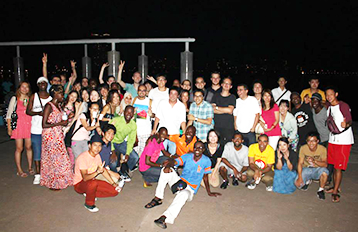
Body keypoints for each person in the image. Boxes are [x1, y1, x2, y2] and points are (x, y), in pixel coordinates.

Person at [144, 141, 221, 229]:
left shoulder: (206, 161)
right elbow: (174, 162)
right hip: (179, 183)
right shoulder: (187, 156)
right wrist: (168, 166)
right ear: (193, 148)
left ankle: (164, 217)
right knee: (165, 170)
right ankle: (158, 198)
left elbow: (205, 177)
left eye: (200, 148)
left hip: (190, 189)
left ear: (203, 150)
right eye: (196, 147)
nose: (197, 150)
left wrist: (209, 192)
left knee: (184, 194)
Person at [74, 134, 121, 213]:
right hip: (80, 184)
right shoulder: (83, 158)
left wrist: (113, 183)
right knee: (93, 183)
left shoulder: (97, 155)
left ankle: (90, 193)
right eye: (95, 145)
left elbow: (102, 170)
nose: (97, 148)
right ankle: (89, 203)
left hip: (93, 180)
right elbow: (85, 178)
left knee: (114, 192)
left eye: (99, 146)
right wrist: (97, 172)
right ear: (89, 145)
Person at [40, 85, 73, 190]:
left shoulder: (58, 106)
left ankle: (60, 180)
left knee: (60, 159)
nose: (63, 96)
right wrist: (59, 123)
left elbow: (57, 121)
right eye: (61, 94)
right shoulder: (48, 106)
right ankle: (53, 183)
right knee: (53, 160)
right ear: (55, 94)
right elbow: (44, 124)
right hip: (50, 135)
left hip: (57, 135)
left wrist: (64, 122)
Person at [325, 87, 354, 203]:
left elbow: (350, 120)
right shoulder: (329, 107)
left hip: (343, 140)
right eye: (327, 95)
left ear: (336, 94)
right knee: (333, 164)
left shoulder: (343, 106)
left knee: (338, 167)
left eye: (331, 94)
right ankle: (335, 186)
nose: (329, 97)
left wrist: (346, 124)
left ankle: (335, 191)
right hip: (333, 139)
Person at [26, 77, 52, 184]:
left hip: (48, 130)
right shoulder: (34, 96)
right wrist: (38, 113)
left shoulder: (51, 97)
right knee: (37, 152)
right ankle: (38, 174)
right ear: (37, 85)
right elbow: (28, 111)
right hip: (36, 129)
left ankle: (48, 173)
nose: (42, 84)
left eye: (44, 83)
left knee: (48, 152)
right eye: (40, 83)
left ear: (47, 84)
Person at [6, 81, 33, 178]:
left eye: (27, 87)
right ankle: (19, 169)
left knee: (29, 147)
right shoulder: (15, 99)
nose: (25, 89)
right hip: (18, 125)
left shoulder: (30, 99)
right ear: (19, 88)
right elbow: (9, 114)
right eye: (23, 87)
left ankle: (30, 167)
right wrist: (9, 128)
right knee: (19, 148)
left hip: (29, 125)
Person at [295, 132, 328, 200]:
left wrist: (314, 161)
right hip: (306, 168)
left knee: (325, 172)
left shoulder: (322, 149)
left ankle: (321, 190)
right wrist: (300, 177)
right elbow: (300, 163)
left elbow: (325, 164)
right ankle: (308, 180)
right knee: (298, 185)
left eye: (313, 141)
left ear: (317, 141)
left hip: (317, 169)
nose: (311, 143)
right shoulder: (303, 148)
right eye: (309, 141)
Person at [109, 105, 138, 180]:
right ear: (124, 112)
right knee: (113, 162)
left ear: (133, 114)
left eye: (131, 112)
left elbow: (131, 140)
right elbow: (108, 136)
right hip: (111, 143)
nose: (129, 114)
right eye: (127, 111)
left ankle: (124, 170)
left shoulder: (133, 125)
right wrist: (112, 151)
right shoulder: (116, 120)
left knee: (135, 157)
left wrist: (127, 153)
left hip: (121, 143)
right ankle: (115, 175)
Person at [211, 77, 236, 144]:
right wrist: (225, 110)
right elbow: (212, 110)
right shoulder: (215, 96)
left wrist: (216, 108)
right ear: (221, 84)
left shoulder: (232, 97)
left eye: (228, 84)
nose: (226, 85)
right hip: (217, 126)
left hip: (228, 127)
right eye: (225, 83)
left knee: (228, 146)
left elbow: (230, 110)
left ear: (231, 86)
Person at [133, 84, 154, 156]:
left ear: (146, 92)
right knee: (135, 151)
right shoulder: (134, 100)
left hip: (146, 131)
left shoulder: (150, 101)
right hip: (135, 131)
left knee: (144, 152)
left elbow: (155, 115)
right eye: (140, 90)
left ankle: (141, 167)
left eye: (143, 90)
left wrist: (151, 114)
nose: (142, 92)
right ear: (137, 91)